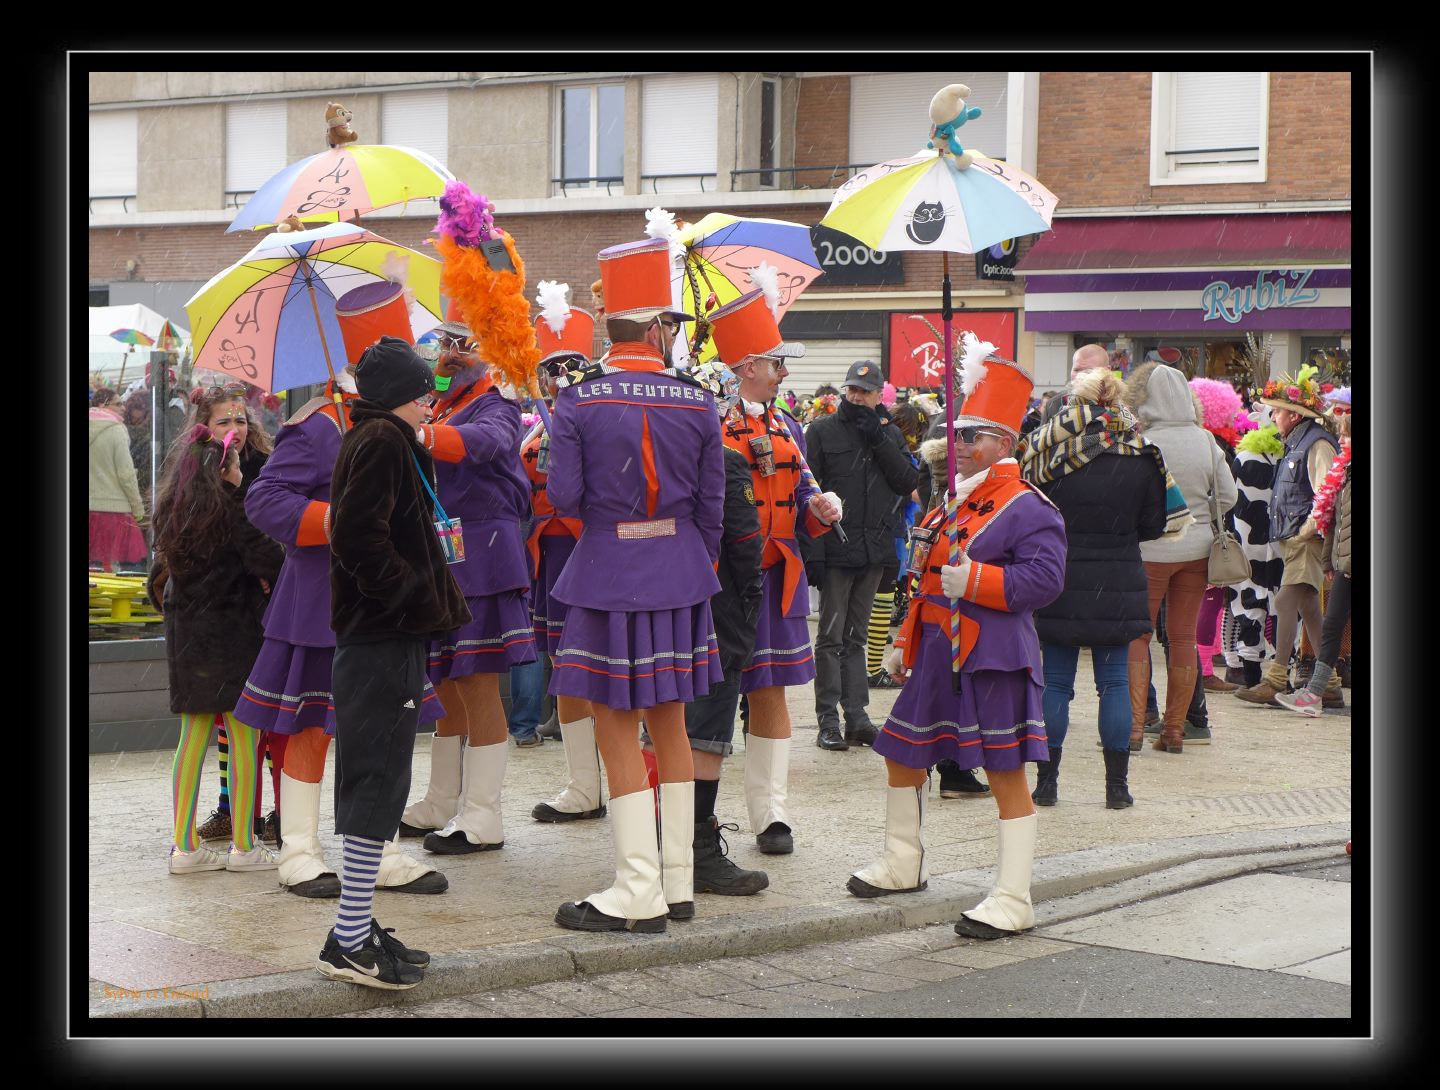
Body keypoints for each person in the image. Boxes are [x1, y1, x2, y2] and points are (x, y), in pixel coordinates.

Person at [239, 283, 448, 898]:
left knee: (386, 725)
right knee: (312, 722)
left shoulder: (410, 431)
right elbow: (264, 499)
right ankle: (299, 849)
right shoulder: (316, 428)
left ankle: (376, 850)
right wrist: (343, 520)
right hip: (321, 601)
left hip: (391, 604)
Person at [853, 340, 1066, 944]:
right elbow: (925, 572)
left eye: (974, 435)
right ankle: (902, 862)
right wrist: (902, 636)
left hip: (994, 657)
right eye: (960, 433)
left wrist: (975, 579)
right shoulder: (957, 501)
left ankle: (1014, 895)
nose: (961, 445)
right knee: (902, 753)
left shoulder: (1029, 507)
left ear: (1005, 443)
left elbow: (1046, 582)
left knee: (1004, 772)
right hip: (938, 654)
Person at [545, 238, 726, 932]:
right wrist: (680, 555)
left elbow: (563, 498)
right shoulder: (697, 400)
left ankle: (636, 889)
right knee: (671, 723)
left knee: (618, 727)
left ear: (611, 326)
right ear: (658, 328)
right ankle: (676, 884)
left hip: (607, 573)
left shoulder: (579, 402)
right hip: (681, 573)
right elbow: (711, 511)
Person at [315, 336, 470, 991]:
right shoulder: (381, 441)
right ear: (405, 398)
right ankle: (349, 941)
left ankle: (353, 929)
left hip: (384, 635)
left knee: (378, 779)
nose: (430, 404)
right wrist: (406, 592)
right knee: (376, 782)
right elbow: (355, 534)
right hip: (381, 634)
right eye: (423, 395)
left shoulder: (381, 437)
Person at [394, 302, 538, 856]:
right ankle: (442, 797)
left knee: (477, 680)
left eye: (462, 343)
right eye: (445, 339)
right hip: (448, 555)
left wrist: (423, 436)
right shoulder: (442, 401)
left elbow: (489, 446)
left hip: (485, 550)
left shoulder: (495, 398)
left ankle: (484, 814)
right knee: (446, 679)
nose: (448, 352)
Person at [709, 289, 841, 855]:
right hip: (723, 579)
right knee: (712, 693)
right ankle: (698, 812)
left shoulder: (790, 424)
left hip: (777, 576)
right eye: (776, 361)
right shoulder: (709, 421)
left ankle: (771, 814)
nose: (784, 372)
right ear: (747, 367)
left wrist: (822, 508)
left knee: (772, 692)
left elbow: (802, 491)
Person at [1021, 369, 1183, 807]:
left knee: (1055, 684)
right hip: (1120, 580)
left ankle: (1047, 782)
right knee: (1113, 683)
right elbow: (1154, 525)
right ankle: (1117, 788)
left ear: (1076, 406)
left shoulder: (1050, 457)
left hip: (1061, 579)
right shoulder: (1143, 456)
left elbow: (1034, 516)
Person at [147, 423, 284, 874]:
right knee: (244, 737)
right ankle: (244, 846)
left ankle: (185, 848)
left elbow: (158, 579)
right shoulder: (234, 507)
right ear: (225, 469)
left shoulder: (174, 508)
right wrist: (242, 494)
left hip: (189, 638)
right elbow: (269, 560)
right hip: (235, 634)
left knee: (191, 740)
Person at [183, 384, 284, 848]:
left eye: (241, 420)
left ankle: (278, 812)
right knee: (225, 725)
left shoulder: (265, 468)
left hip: (256, 613)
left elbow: (268, 546)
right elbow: (183, 543)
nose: (235, 430)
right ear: (205, 427)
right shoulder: (191, 473)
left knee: (264, 718)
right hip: (210, 616)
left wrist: (241, 488)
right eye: (224, 421)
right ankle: (231, 812)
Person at [805, 360, 923, 750]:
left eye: (864, 391)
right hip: (837, 547)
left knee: (856, 637)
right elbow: (809, 493)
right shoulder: (822, 431)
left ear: (877, 395)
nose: (856, 397)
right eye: (852, 389)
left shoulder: (887, 434)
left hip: (874, 549)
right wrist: (815, 553)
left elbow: (908, 482)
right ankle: (827, 721)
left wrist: (879, 439)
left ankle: (856, 715)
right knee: (830, 637)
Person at [1122, 362, 1238, 754]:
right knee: (1183, 637)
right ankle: (1175, 730)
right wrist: (1198, 511)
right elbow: (1229, 496)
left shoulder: (1143, 441)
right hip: (1197, 550)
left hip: (1150, 550)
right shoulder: (1205, 440)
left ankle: (1135, 728)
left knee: (1138, 635)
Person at [525, 288, 609, 823]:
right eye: (550, 372)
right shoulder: (532, 426)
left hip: (593, 554)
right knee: (563, 666)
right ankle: (584, 784)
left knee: (603, 665)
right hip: (546, 555)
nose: (559, 381)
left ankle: (621, 778)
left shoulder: (601, 418)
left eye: (569, 368)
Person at [1235, 369, 1343, 709]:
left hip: (1306, 541)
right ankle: (1331, 684)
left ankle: (1276, 677)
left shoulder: (1317, 443)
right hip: (1297, 538)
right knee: (1309, 608)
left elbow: (1328, 492)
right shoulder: (1299, 441)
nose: (1273, 416)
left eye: (1278, 411)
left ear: (1294, 415)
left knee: (1284, 602)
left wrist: (1304, 532)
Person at [1277, 408, 1352, 716]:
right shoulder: (1346, 469)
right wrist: (1329, 561)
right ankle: (1317, 694)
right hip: (1344, 563)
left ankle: (1295, 682)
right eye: (1342, 433)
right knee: (1331, 625)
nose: (1341, 439)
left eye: (1347, 434)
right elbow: (1334, 519)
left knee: (1322, 618)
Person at [867, 400, 930, 688]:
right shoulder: (900, 453)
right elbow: (915, 493)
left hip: (879, 527)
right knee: (881, 601)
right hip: (892, 531)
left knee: (871, 603)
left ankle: (867, 667)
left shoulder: (877, 444)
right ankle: (871, 669)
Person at [89, 387, 148, 572]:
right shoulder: (116, 430)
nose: (123, 408)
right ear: (102, 404)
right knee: (115, 570)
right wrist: (138, 508)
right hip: (114, 511)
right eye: (118, 403)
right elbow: (126, 474)